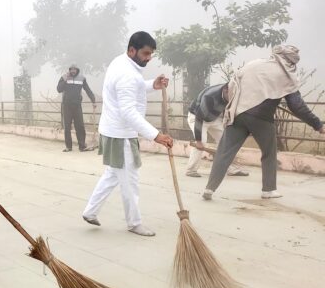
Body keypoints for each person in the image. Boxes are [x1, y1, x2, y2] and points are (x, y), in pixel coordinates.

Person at [81, 31, 173, 237]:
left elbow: (134, 88)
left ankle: (90, 211)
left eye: (151, 54)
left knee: (113, 174)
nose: (148, 58)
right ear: (132, 50)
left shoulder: (122, 62)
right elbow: (128, 111)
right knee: (130, 180)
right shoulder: (127, 74)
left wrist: (153, 85)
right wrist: (156, 135)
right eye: (145, 53)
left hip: (113, 130)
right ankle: (134, 222)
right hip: (121, 134)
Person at [203, 45, 325, 200]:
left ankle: (209, 188)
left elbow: (232, 84)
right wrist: (318, 125)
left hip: (238, 113)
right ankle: (268, 190)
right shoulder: (286, 75)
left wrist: (235, 107)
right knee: (269, 152)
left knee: (224, 152)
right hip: (261, 118)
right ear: (290, 61)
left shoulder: (255, 64)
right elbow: (297, 106)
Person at [185, 83, 248, 177]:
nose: (233, 98)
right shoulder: (209, 97)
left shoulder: (232, 92)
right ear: (225, 91)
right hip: (197, 116)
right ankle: (191, 170)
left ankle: (232, 169)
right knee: (202, 141)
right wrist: (198, 141)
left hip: (214, 117)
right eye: (232, 95)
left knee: (226, 141)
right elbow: (199, 118)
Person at [57, 65, 96, 152]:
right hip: (66, 105)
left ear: (77, 70)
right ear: (69, 70)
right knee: (67, 126)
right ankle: (68, 147)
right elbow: (59, 89)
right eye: (71, 69)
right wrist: (66, 79)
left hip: (77, 105)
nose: (73, 71)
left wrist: (93, 100)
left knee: (80, 126)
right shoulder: (64, 77)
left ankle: (82, 146)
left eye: (75, 69)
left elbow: (88, 90)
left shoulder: (82, 78)